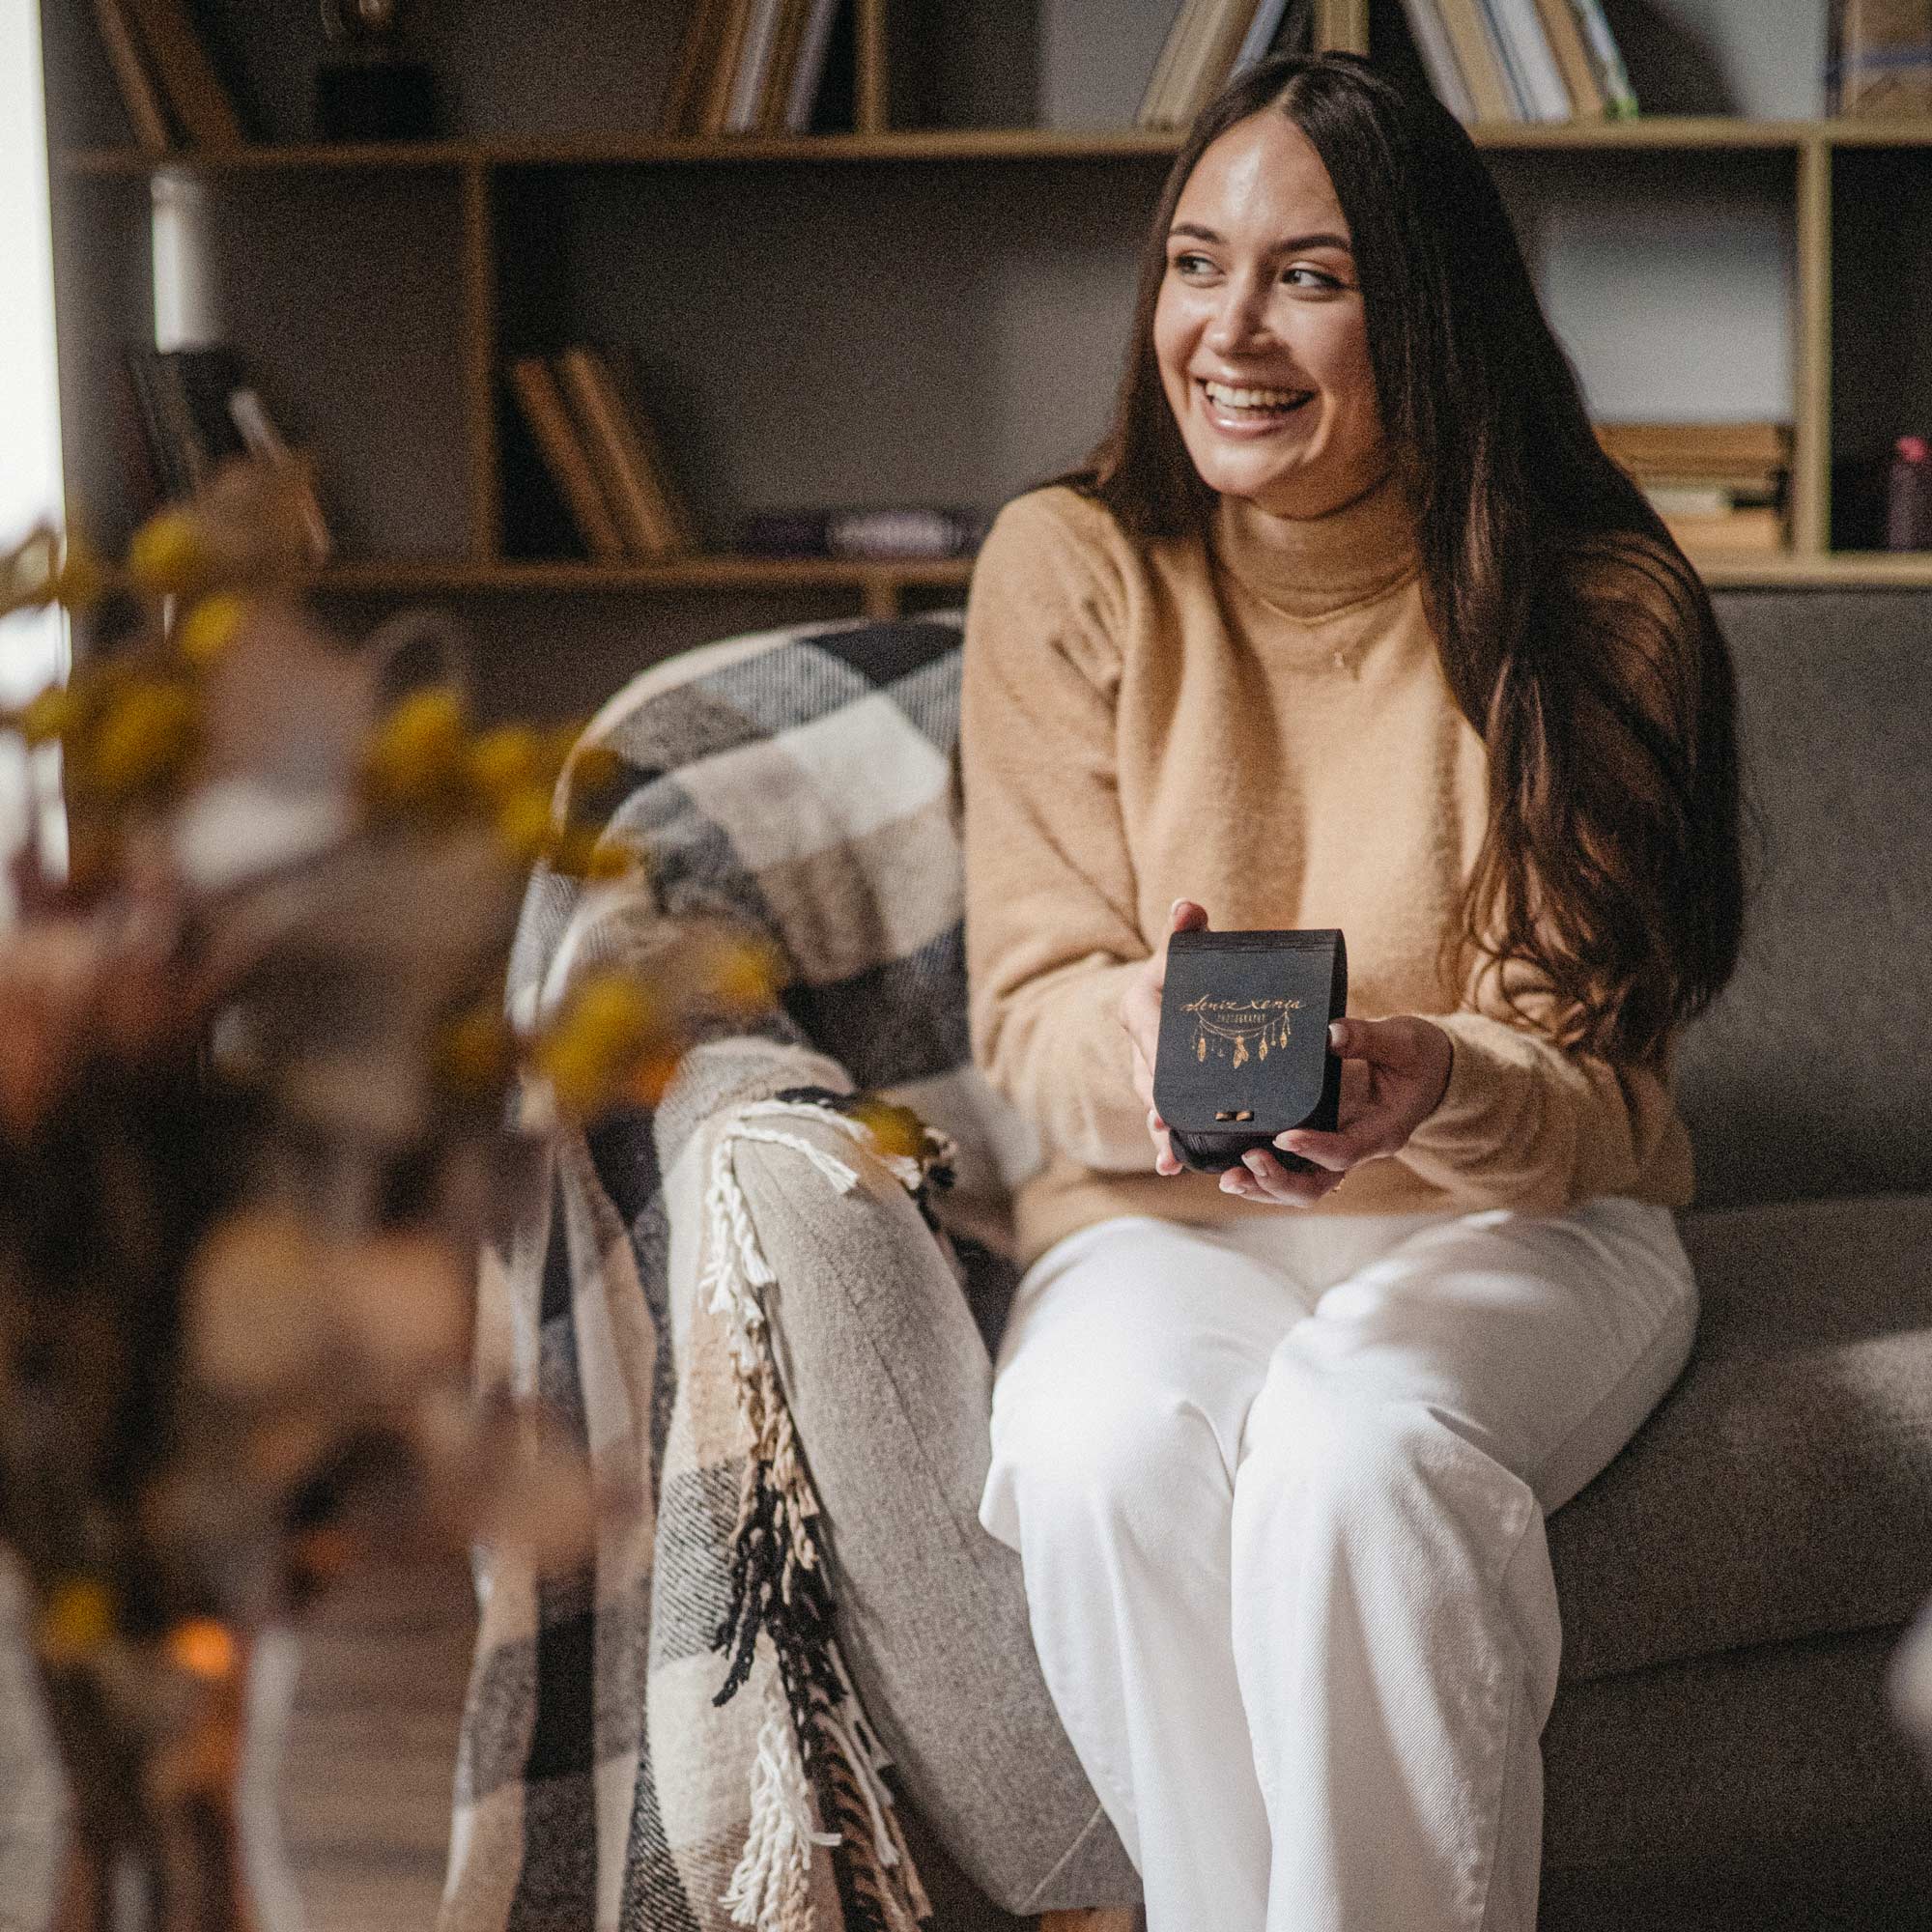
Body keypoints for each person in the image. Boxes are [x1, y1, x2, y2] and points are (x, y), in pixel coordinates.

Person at [957, 50, 1745, 1932]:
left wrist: (1424, 1079)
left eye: (1311, 276)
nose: (1229, 329)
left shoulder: (1596, 608)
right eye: (1193, 263)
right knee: (1090, 1446)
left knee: (1360, 1445)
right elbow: (1028, 1013)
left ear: (1429, 315)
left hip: (1522, 1215)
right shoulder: (1067, 568)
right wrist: (1150, 1032)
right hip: (1160, 1218)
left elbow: (1586, 1081)